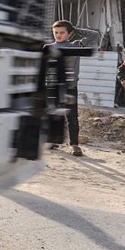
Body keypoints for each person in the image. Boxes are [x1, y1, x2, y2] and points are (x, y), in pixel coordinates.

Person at [47, 20, 102, 156]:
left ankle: (74, 145)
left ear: (69, 34)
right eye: (56, 32)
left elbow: (94, 35)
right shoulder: (49, 47)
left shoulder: (75, 46)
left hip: (70, 86)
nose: (58, 35)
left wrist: (75, 29)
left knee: (71, 116)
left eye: (62, 32)